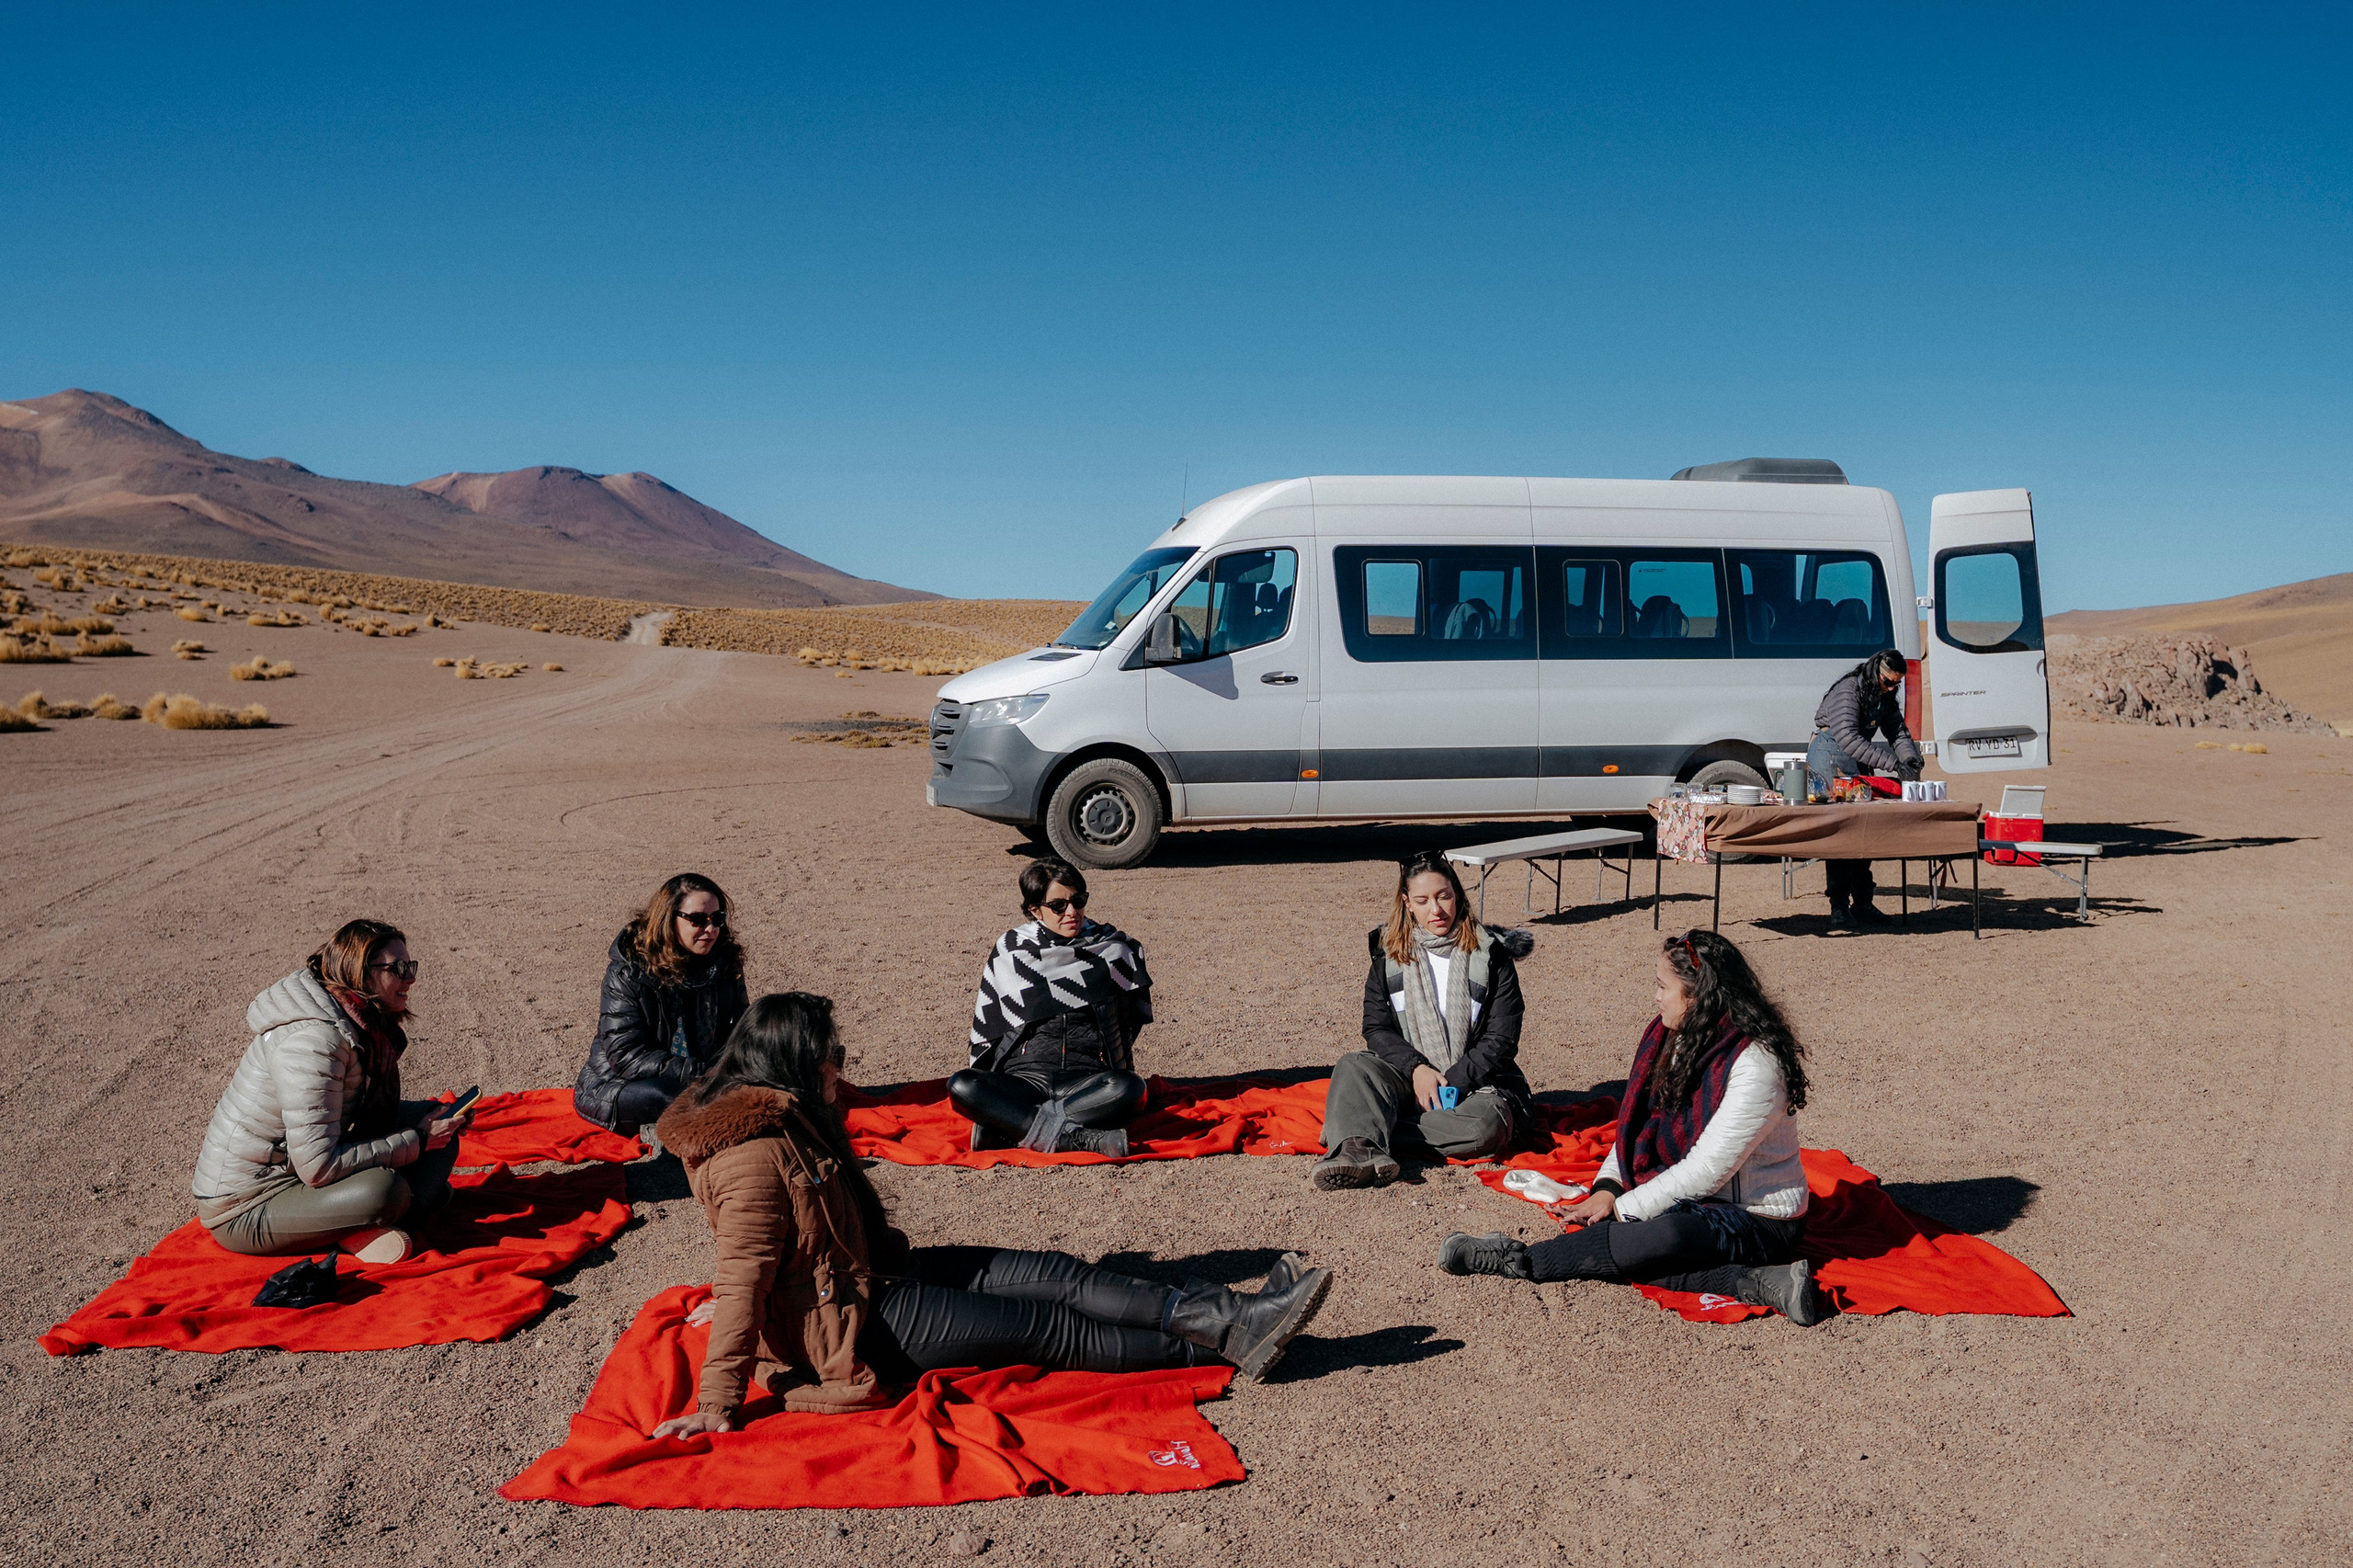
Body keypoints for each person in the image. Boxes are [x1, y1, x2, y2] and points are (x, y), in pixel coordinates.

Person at [649, 993, 1335, 1436]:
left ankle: (1235, 1315)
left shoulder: (792, 1116)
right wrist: (717, 1403)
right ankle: (1222, 1345)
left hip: (879, 1274)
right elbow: (745, 1274)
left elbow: (767, 1259)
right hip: (852, 1324)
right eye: (834, 1057)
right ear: (794, 1064)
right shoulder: (750, 1157)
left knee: (1059, 1274)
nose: (842, 1070)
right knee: (1047, 1329)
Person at [1436, 929, 1826, 1324]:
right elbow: (1636, 1129)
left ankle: (1518, 1259)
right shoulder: (1677, 1038)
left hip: (1757, 1220)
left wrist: (1622, 1210)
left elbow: (1706, 1171)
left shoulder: (1757, 1065)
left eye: (1663, 987)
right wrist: (1608, 1188)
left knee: (1659, 1238)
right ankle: (1757, 1282)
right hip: (1699, 1200)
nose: (1656, 997)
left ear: (1697, 996)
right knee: (1646, 1244)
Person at [192, 919, 472, 1265]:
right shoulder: (314, 1042)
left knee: (441, 1125)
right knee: (386, 1190)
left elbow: (357, 1117)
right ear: (359, 973)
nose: (410, 977)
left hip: (298, 1171)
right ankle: (367, 1220)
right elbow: (319, 1167)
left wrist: (430, 1127)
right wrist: (418, 1140)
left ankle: (357, 1221)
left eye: (410, 966)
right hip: (249, 1206)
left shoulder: (355, 1020)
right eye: (398, 968)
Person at [1312, 851, 1532, 1189]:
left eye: (1444, 896)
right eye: (1423, 900)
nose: (1437, 909)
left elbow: (1501, 1039)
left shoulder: (1492, 954)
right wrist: (1417, 1070)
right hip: (1409, 1073)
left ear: (1457, 894)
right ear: (1407, 903)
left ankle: (1364, 1135)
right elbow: (1376, 1027)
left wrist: (1448, 1083)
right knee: (1354, 1066)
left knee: (1482, 1129)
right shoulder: (1388, 955)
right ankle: (1358, 1151)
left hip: (1480, 1083)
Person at [949, 859, 1152, 1157]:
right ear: (1035, 910)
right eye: (1058, 906)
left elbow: (1128, 1023)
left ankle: (1011, 1127)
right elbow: (991, 1027)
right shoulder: (1013, 950)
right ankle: (1079, 1138)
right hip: (1024, 1078)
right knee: (963, 1085)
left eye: (1078, 901)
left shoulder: (1113, 949)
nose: (1072, 912)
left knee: (1131, 1088)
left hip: (1087, 1078)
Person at [575, 873, 751, 1137]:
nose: (711, 929)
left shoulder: (724, 963)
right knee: (669, 1096)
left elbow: (743, 1028)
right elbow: (625, 1054)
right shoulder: (630, 970)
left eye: (717, 919)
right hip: (621, 1084)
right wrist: (704, 1072)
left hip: (706, 1075)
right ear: (669, 919)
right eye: (698, 919)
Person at [1808, 648, 1926, 927]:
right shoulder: (1848, 691)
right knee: (1841, 834)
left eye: (1897, 684)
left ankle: (1863, 902)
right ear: (1876, 673)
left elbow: (1897, 731)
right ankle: (1839, 906)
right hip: (1831, 758)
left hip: (1857, 759)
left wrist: (1909, 757)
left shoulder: (1884, 694)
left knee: (1866, 830)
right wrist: (1893, 764)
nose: (1892, 688)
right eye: (1888, 682)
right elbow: (1848, 739)